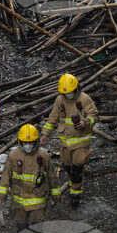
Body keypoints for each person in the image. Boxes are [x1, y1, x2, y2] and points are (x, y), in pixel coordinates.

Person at [41, 73, 98, 207]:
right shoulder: (60, 100)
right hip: (66, 141)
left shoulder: (84, 99)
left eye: (70, 93)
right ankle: (73, 185)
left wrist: (85, 122)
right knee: (68, 166)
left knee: (78, 165)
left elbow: (94, 115)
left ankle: (76, 194)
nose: (68, 96)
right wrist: (45, 134)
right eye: (65, 93)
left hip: (81, 140)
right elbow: (52, 118)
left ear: (76, 89)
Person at [0, 124, 61, 233]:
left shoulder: (43, 156)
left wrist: (56, 193)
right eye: (26, 142)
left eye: (31, 142)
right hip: (19, 200)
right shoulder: (13, 156)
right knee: (21, 228)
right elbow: (6, 175)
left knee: (38, 228)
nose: (28, 145)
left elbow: (52, 176)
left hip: (37, 200)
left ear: (36, 141)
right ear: (20, 142)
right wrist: (2, 194)